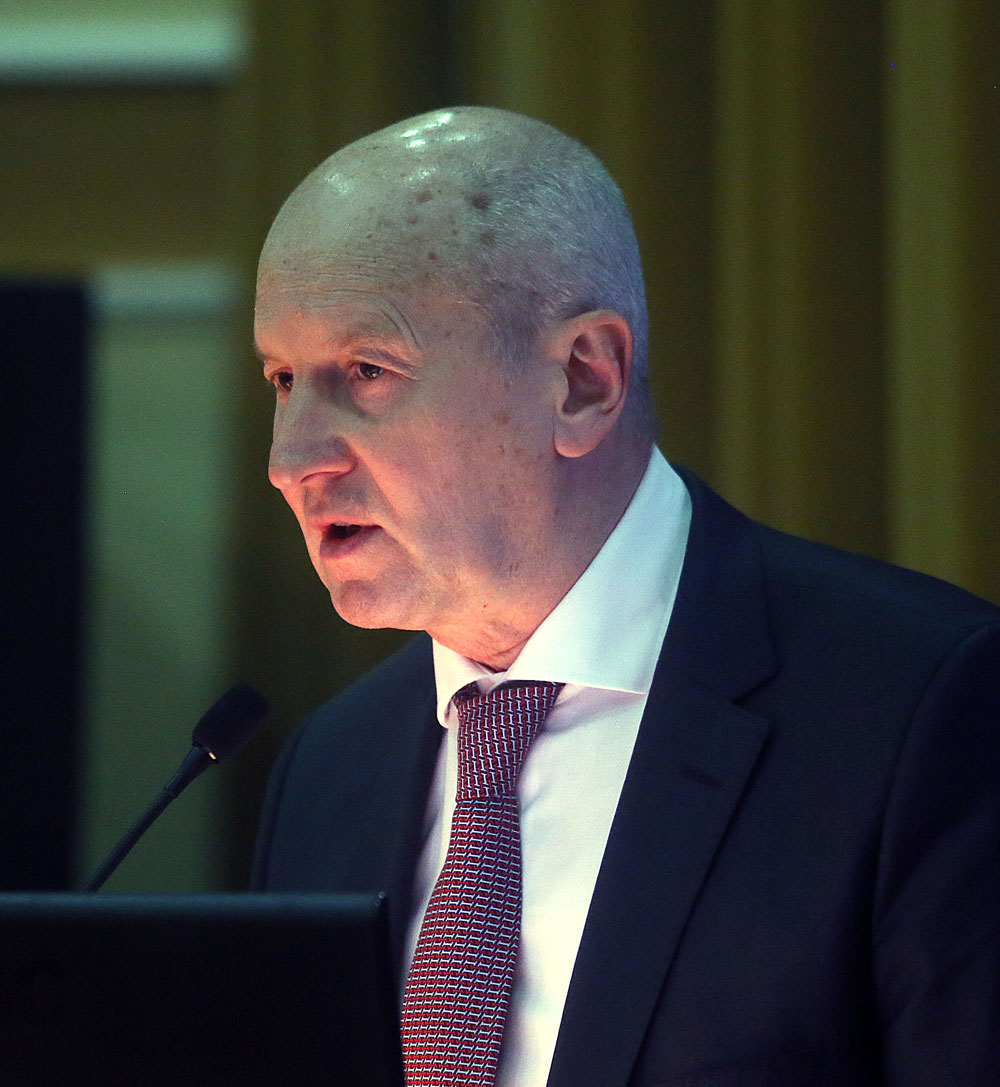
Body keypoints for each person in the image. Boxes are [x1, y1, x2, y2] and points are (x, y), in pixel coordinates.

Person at [251, 106, 1000, 1086]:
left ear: (583, 381)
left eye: (366, 371)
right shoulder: (328, 769)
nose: (291, 460)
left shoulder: (920, 708)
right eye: (282, 380)